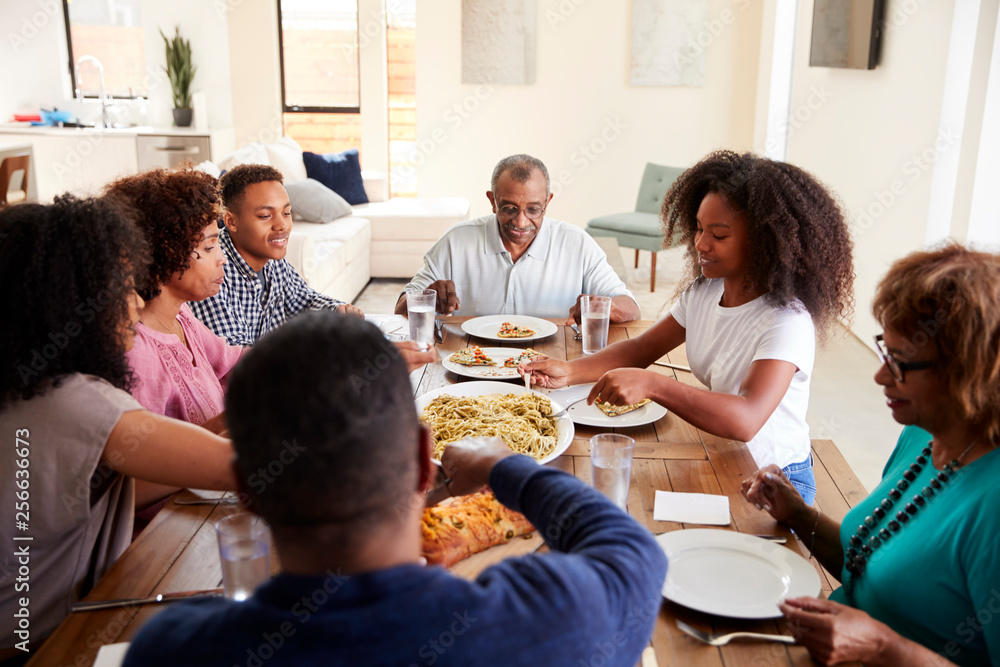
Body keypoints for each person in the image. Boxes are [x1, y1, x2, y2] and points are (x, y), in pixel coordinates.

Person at [123, 312, 667, 667]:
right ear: (420, 463)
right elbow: (635, 553)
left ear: (244, 489)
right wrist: (507, 468)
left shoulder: (171, 648)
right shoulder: (542, 617)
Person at [523, 151, 855, 504]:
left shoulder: (787, 321)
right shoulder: (706, 291)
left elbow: (746, 418)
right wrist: (568, 371)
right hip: (724, 454)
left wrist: (653, 383)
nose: (700, 244)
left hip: (776, 482)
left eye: (719, 235)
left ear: (763, 242)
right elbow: (640, 350)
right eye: (698, 228)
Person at [0, 197, 237, 662]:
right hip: (38, 644)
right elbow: (243, 468)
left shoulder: (26, 386)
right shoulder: (78, 401)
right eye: (123, 288)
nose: (135, 302)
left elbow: (117, 486)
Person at [741, 243, 999, 667]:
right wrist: (800, 516)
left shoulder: (992, 505)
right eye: (885, 351)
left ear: (970, 372)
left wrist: (885, 648)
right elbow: (872, 567)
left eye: (898, 363)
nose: (879, 375)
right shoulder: (922, 433)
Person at [394, 154, 640, 324]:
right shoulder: (456, 241)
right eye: (509, 209)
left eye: (533, 209)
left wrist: (602, 306)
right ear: (492, 201)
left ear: (548, 202)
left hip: (553, 364)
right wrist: (426, 297)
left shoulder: (577, 244)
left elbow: (631, 308)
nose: (521, 223)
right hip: (473, 363)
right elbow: (401, 308)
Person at [105, 168, 244, 430]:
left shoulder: (182, 316)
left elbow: (231, 362)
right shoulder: (137, 354)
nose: (221, 258)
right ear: (165, 254)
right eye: (208, 247)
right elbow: (147, 460)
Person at [190, 163, 364, 346]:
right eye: (265, 215)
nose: (282, 225)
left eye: (286, 212)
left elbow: (302, 301)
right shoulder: (213, 271)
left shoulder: (271, 259)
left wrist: (338, 310)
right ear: (231, 222)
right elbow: (233, 358)